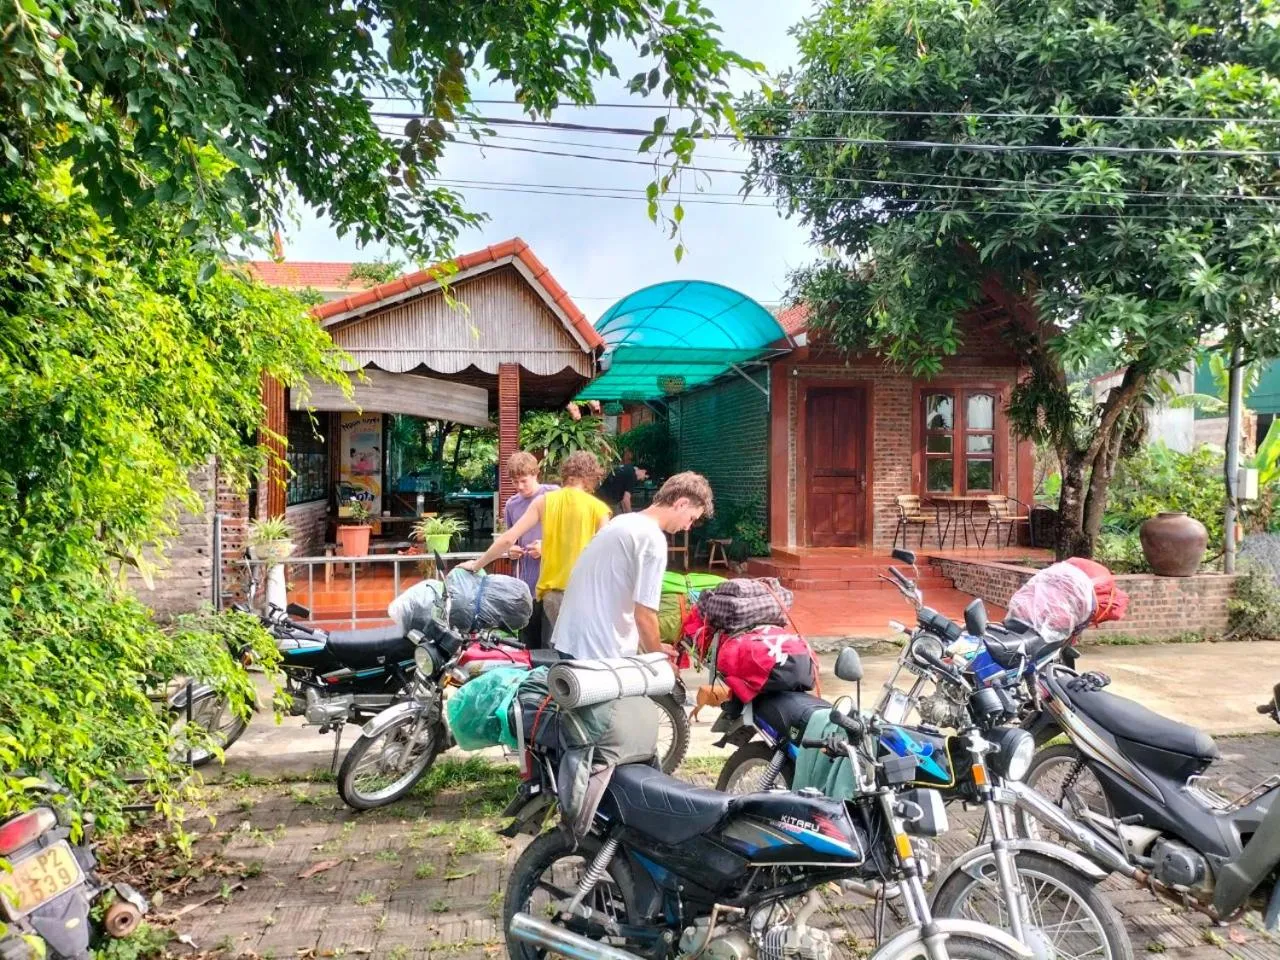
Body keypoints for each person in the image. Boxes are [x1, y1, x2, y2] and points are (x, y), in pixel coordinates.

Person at [551, 471, 713, 661]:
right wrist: (658, 661)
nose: (687, 527)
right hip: (596, 650)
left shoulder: (624, 521)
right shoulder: (652, 539)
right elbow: (644, 615)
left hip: (573, 638)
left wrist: (653, 645)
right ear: (682, 504)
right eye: (691, 518)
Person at [461, 450, 610, 636]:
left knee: (546, 651)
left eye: (524, 480)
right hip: (584, 590)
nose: (520, 486)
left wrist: (476, 564)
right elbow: (606, 553)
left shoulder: (545, 500)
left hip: (551, 591)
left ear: (565, 474)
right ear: (591, 478)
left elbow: (507, 537)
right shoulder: (599, 508)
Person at [501, 451, 558, 647]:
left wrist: (547, 547)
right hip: (525, 585)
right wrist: (511, 551)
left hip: (553, 582)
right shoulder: (511, 505)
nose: (519, 487)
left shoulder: (554, 494)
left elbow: (571, 535)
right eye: (515, 482)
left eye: (524, 480)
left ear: (536, 473)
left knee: (551, 643)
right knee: (527, 644)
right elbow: (510, 539)